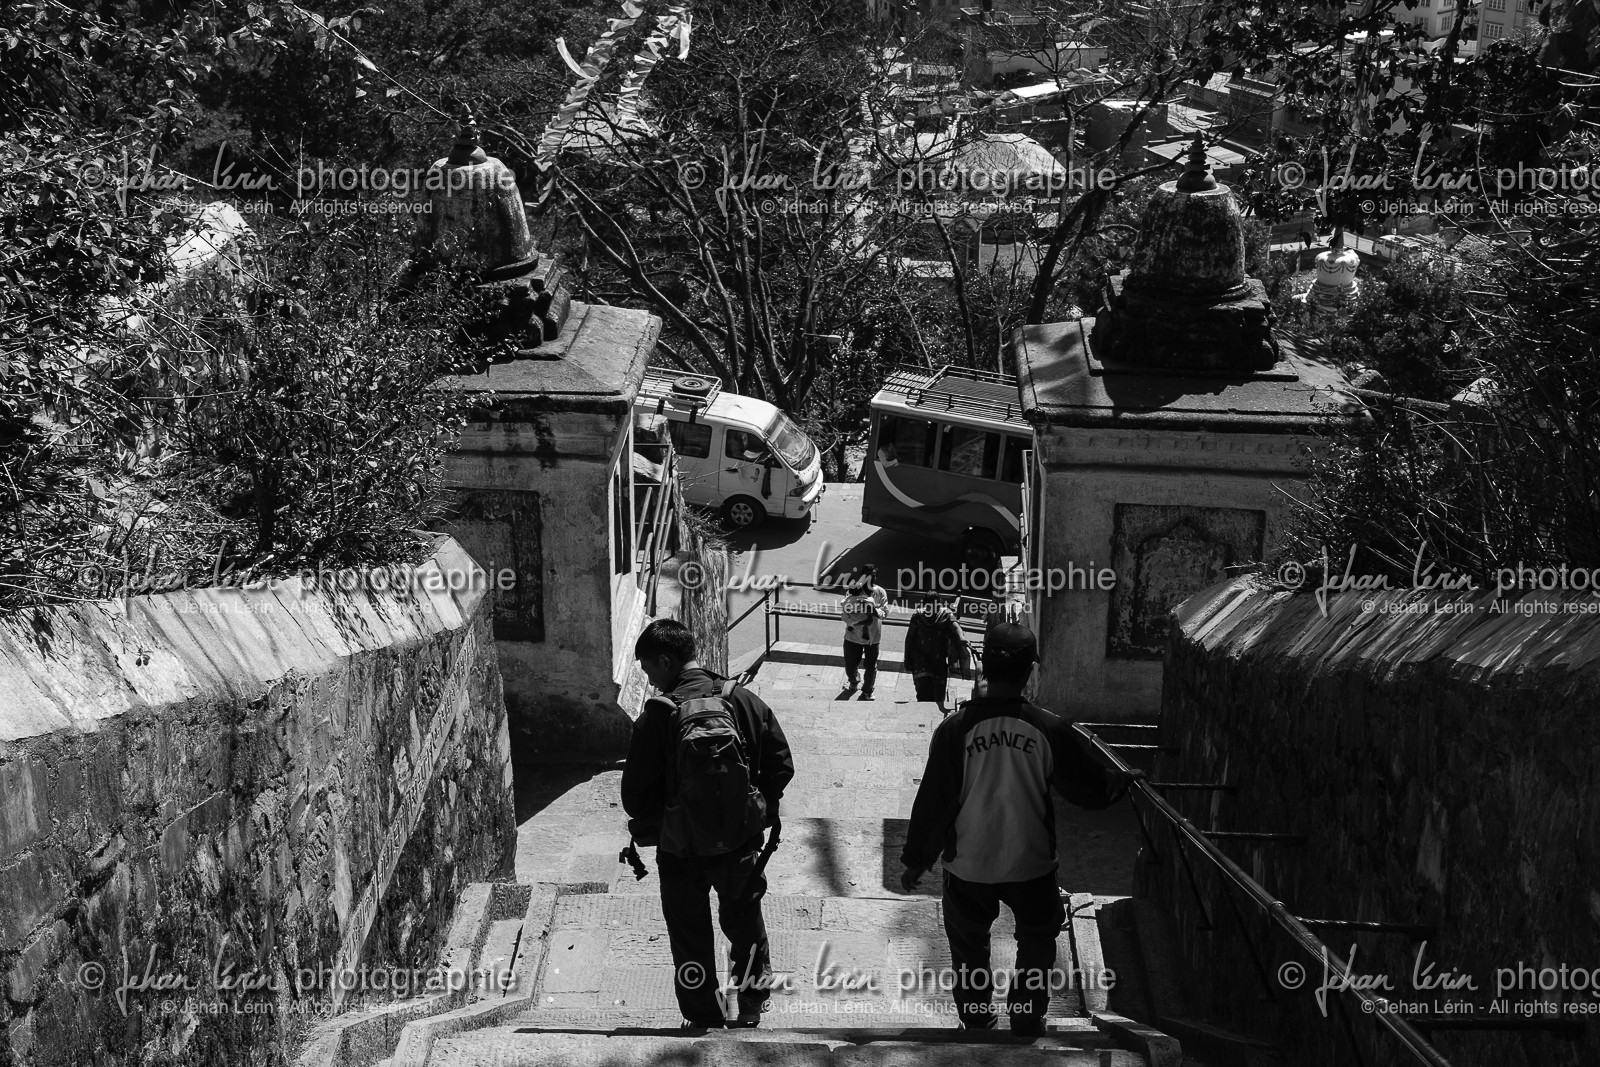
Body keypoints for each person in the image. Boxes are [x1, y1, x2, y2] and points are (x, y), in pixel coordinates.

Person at [898, 623, 1139, 1034]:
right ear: (1030, 671)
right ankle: (1027, 1019)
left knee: (969, 946)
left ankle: (977, 1023)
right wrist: (1125, 779)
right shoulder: (1048, 727)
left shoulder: (954, 731)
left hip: (969, 866)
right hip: (1032, 863)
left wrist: (916, 860)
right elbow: (1089, 789)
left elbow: (935, 803)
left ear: (985, 666)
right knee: (1038, 941)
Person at [621, 619, 795, 1029]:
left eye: (648, 669)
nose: (649, 681)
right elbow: (781, 765)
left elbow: (634, 796)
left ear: (666, 661)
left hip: (680, 850)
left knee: (689, 934)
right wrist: (756, 808)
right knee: (745, 922)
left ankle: (702, 1017)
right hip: (738, 844)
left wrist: (662, 821)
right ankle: (751, 1002)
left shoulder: (659, 715)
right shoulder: (743, 701)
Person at [903, 601, 970, 714]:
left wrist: (961, 637)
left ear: (939, 606)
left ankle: (935, 716)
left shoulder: (946, 615)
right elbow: (909, 637)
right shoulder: (918, 616)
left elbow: (956, 627)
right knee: (923, 689)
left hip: (938, 659)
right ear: (926, 606)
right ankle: (922, 714)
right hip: (921, 659)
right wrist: (906, 657)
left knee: (938, 692)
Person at [840, 564, 889, 698]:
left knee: (871, 666)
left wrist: (874, 611)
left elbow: (885, 612)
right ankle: (854, 680)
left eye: (873, 575)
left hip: (873, 637)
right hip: (853, 636)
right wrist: (858, 622)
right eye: (867, 575)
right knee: (850, 665)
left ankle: (868, 690)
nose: (870, 578)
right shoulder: (853, 591)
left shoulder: (880, 593)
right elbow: (845, 615)